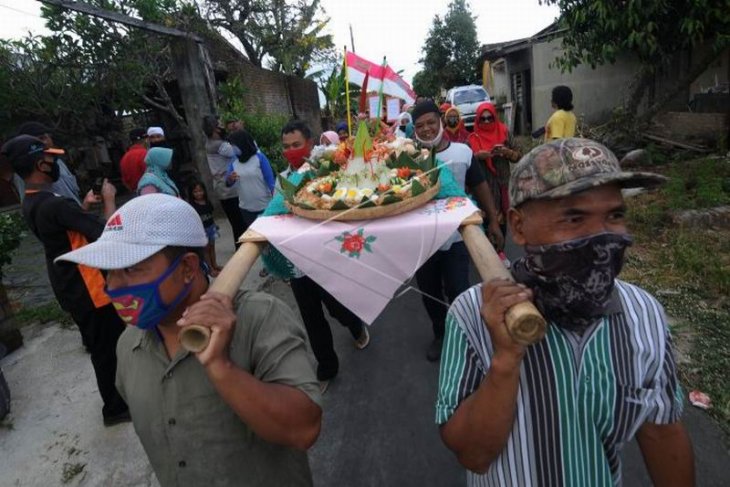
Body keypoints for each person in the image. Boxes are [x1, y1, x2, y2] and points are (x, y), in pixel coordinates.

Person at [436, 138, 694, 487]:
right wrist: (506, 359)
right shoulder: (472, 314)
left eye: (615, 215)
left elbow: (662, 435)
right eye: (574, 218)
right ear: (519, 226)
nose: (602, 237)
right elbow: (473, 456)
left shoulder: (644, 314)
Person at [55, 194, 323, 487]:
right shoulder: (128, 345)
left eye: (131, 268)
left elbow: (304, 429)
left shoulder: (260, 317)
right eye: (108, 271)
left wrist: (222, 368)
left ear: (187, 268)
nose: (113, 286)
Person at [1, 135, 129, 427]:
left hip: (67, 282)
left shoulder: (32, 200)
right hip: (88, 286)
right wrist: (109, 199)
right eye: (51, 158)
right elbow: (105, 234)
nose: (56, 162)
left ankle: (117, 398)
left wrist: (81, 208)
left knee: (102, 344)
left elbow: (68, 232)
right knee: (106, 348)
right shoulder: (56, 205)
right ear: (39, 164)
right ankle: (114, 408)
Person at [411, 101, 504, 362]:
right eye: (420, 126)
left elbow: (480, 185)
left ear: (441, 120)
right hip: (423, 242)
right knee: (429, 291)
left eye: (431, 122)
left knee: (459, 289)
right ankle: (441, 335)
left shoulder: (463, 152)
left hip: (457, 237)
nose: (427, 129)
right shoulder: (408, 159)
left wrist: (494, 222)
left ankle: (465, 335)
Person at [281, 120, 370, 391]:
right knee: (311, 318)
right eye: (286, 147)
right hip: (297, 263)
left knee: (337, 307)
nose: (292, 151)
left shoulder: (327, 173)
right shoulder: (282, 179)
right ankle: (327, 366)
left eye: (297, 145)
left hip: (326, 258)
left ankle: (355, 326)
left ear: (310, 144)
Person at [468, 102, 522, 233]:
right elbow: (467, 163)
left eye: (490, 118)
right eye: (483, 119)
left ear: (495, 117)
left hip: (503, 183)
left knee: (503, 222)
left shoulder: (504, 132)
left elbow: (519, 156)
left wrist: (506, 152)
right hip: (483, 187)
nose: (486, 122)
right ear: (477, 119)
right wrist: (477, 156)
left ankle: (500, 251)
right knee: (486, 221)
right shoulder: (472, 138)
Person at [203, 115, 246, 249]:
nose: (222, 126)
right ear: (215, 128)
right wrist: (239, 131)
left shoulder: (209, 143)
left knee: (235, 221)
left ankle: (239, 247)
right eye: (220, 124)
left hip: (221, 187)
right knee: (239, 221)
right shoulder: (219, 145)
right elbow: (239, 151)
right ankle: (241, 249)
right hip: (228, 187)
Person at [17, 121, 82, 206]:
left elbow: (72, 197)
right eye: (40, 139)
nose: (45, 142)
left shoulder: (58, 162)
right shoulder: (27, 172)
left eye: (45, 137)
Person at [225, 129, 274, 232]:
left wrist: (276, 202)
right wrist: (230, 179)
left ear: (242, 143)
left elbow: (271, 181)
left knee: (269, 235)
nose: (232, 148)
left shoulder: (259, 158)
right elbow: (228, 182)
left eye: (234, 145)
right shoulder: (234, 161)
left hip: (264, 206)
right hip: (246, 209)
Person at [187, 180, 221, 277]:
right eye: (195, 192)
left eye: (200, 191)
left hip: (211, 228)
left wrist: (214, 225)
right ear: (191, 193)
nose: (199, 193)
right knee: (206, 250)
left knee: (212, 247)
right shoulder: (193, 207)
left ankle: (215, 264)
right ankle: (210, 269)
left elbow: (211, 215)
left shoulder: (207, 202)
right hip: (202, 231)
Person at [119, 127, 148, 192]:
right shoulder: (145, 154)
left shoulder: (125, 157)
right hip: (148, 191)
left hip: (134, 193)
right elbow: (150, 174)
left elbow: (124, 180)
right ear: (145, 139)